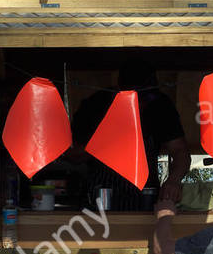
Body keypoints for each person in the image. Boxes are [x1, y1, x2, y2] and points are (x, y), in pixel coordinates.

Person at [72, 62, 190, 210]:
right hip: (101, 198)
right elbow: (74, 154)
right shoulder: (96, 104)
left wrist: (173, 180)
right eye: (137, 97)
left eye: (148, 97)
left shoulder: (160, 107)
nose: (142, 104)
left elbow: (180, 151)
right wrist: (106, 142)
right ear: (119, 91)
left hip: (144, 198)